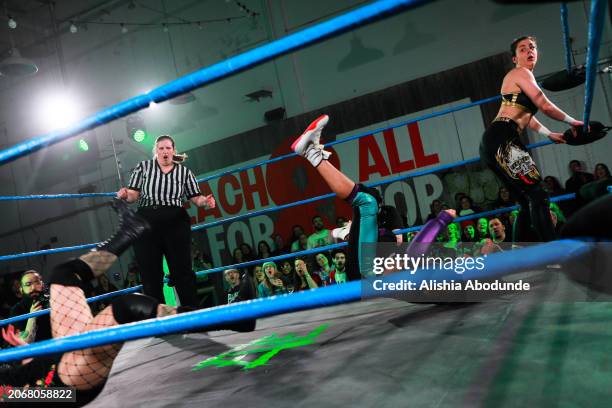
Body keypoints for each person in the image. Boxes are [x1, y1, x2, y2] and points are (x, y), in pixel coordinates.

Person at [0, 200, 254, 405]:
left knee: (62, 275)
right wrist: (37, 369)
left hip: (55, 356)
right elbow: (23, 396)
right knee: (128, 307)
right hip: (66, 382)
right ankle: (233, 318)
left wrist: (29, 356)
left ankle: (130, 230)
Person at [479, 36, 584, 243]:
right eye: (522, 48)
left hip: (494, 140)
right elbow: (544, 105)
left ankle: (519, 251)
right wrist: (573, 122)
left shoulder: (522, 79)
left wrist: (548, 133)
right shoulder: (521, 72)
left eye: (532, 47)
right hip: (503, 137)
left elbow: (527, 116)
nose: (529, 51)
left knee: (525, 202)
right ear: (514, 58)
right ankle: (554, 251)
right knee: (538, 195)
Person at [292, 114, 402, 281]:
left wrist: (443, 219)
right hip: (370, 267)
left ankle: (311, 153)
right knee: (367, 200)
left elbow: (399, 242)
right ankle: (311, 153)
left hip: (369, 270)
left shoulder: (386, 214)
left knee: (367, 200)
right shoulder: (365, 221)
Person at [117, 135, 216, 308]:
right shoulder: (143, 168)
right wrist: (126, 194)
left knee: (182, 270)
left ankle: (191, 314)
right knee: (150, 273)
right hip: (147, 222)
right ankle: (159, 319)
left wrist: (205, 202)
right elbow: (133, 195)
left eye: (168, 148)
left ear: (173, 151)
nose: (165, 152)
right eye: (161, 148)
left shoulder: (184, 172)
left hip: (175, 221)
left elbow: (195, 197)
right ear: (156, 151)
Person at [8, 271, 52, 344]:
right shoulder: (17, 310)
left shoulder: (52, 303)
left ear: (42, 285)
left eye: (37, 282)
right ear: (21, 289)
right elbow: (24, 343)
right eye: (28, 284)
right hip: (35, 353)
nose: (33, 288)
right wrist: (32, 317)